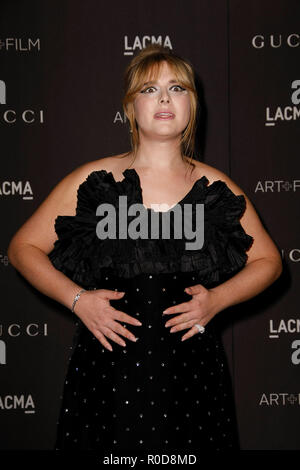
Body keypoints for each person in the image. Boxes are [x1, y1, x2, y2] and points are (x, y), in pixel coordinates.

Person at [7, 44, 282, 453]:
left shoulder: (216, 189)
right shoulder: (94, 181)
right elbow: (23, 246)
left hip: (191, 369)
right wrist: (78, 299)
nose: (165, 98)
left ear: (193, 104)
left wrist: (217, 300)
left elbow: (270, 262)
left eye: (177, 88)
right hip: (108, 367)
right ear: (130, 107)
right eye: (150, 89)